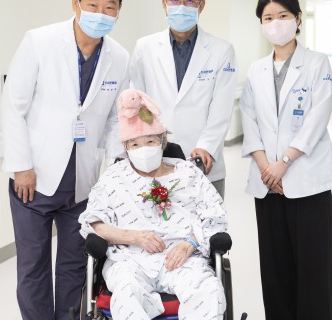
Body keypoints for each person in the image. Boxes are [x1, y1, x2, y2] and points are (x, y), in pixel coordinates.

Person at [1, 0, 129, 320]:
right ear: (75, 3)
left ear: (118, 12)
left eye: (110, 7)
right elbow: (13, 105)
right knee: (33, 266)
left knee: (76, 266)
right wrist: (21, 165)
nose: (101, 13)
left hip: (84, 182)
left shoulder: (119, 57)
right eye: (93, 4)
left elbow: (116, 119)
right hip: (34, 178)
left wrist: (114, 170)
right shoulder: (39, 41)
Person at [79, 88, 228, 320]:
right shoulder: (114, 177)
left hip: (183, 258)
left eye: (149, 141)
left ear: (162, 141)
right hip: (130, 260)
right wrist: (135, 237)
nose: (143, 149)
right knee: (127, 295)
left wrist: (190, 243)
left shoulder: (189, 173)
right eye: (134, 145)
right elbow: (95, 224)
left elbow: (215, 216)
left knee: (209, 292)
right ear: (126, 148)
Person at [240, 0, 332, 320]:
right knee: (275, 271)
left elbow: (317, 117)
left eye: (283, 16)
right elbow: (249, 120)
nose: (276, 23)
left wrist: (283, 163)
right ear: (261, 24)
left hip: (307, 181)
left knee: (313, 270)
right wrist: (266, 168)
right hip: (268, 184)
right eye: (268, 18)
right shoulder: (256, 70)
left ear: (298, 19)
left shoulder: (316, 63)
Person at [129, 0, 237, 199]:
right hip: (155, 159)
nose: (181, 6)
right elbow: (138, 102)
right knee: (157, 220)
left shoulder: (221, 50)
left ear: (201, 6)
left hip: (203, 161)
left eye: (189, 1)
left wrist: (207, 146)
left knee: (207, 220)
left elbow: (221, 109)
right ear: (164, 3)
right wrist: (148, 143)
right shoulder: (145, 47)